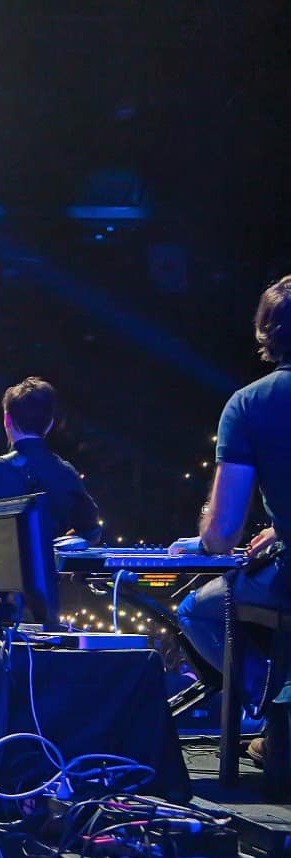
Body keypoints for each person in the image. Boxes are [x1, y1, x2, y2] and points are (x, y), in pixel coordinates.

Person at [172, 276, 291, 767]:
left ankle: (273, 718)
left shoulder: (250, 404)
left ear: (268, 331)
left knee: (197, 611)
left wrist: (205, 532)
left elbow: (222, 534)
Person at [0, 376, 102, 543]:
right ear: (50, 424)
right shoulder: (66, 472)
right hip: (51, 570)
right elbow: (91, 530)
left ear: (7, 420)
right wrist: (53, 550)